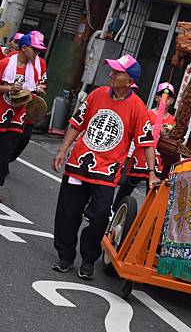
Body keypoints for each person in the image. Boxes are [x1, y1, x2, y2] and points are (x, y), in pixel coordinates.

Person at [51, 54, 159, 280]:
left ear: (129, 81)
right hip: (78, 165)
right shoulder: (96, 95)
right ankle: (65, 255)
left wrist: (151, 173)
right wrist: (62, 151)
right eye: (112, 70)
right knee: (67, 213)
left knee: (100, 216)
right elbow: (75, 124)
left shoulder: (138, 108)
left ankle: (89, 258)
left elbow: (147, 143)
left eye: (117, 72)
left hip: (106, 173)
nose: (111, 74)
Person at [113, 82, 176, 210]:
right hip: (141, 157)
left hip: (159, 160)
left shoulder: (173, 121)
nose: (165, 99)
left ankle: (144, 220)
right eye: (162, 96)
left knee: (152, 192)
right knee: (128, 185)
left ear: (172, 101)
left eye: (169, 98)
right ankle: (114, 210)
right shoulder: (146, 114)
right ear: (156, 98)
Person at [0, 33, 47, 197]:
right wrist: (9, 89)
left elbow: (31, 93)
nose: (36, 53)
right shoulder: (5, 64)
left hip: (17, 120)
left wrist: (35, 100)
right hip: (1, 113)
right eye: (34, 49)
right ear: (24, 48)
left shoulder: (33, 71)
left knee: (4, 156)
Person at [9, 31, 47, 164]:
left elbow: (41, 82)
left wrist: (38, 88)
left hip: (26, 107)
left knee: (22, 139)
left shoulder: (40, 64)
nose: (36, 52)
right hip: (7, 104)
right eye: (34, 48)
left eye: (39, 49)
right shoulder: (13, 58)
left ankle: (6, 161)